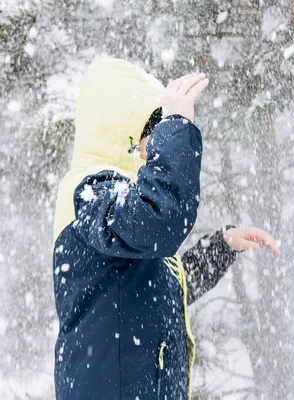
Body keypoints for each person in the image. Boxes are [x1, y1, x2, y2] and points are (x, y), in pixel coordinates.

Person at [52, 59, 280, 400]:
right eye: (151, 135)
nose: (153, 149)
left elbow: (160, 288)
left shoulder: (121, 210)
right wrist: (176, 125)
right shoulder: (89, 192)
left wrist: (222, 245)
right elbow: (160, 222)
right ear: (122, 132)